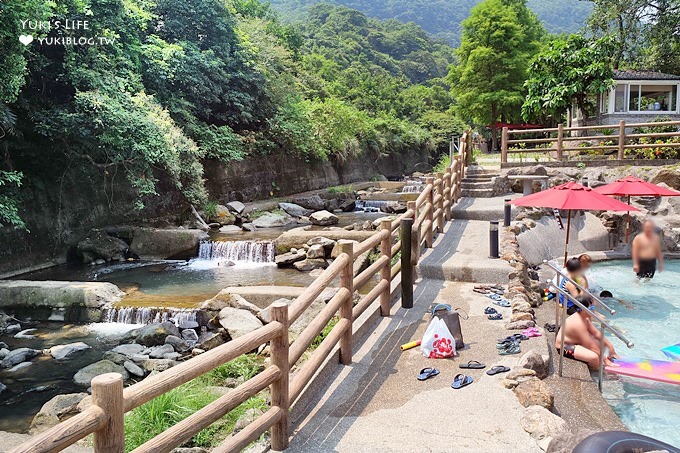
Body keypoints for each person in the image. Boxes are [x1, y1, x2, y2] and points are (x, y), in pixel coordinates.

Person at [555, 294, 619, 369]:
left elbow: (596, 333)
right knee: (594, 357)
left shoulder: (585, 318)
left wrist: (611, 348)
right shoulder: (578, 323)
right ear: (582, 309)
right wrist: (606, 361)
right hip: (565, 347)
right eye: (591, 307)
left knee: (601, 343)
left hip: (577, 342)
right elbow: (590, 345)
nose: (594, 310)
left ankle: (598, 364)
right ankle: (597, 371)